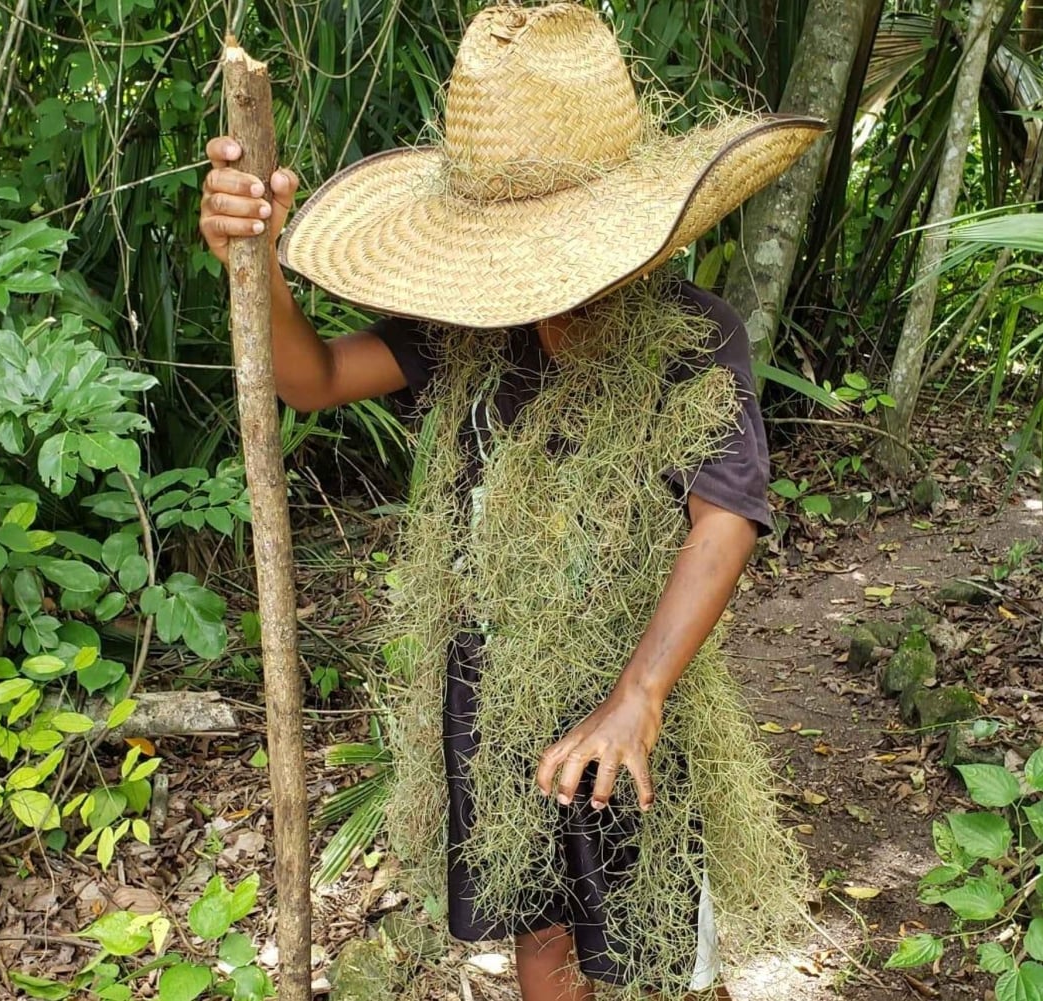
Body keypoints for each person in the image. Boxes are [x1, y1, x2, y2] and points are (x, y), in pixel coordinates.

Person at [198, 5, 825, 998]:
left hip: (630, 685)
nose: (556, 302)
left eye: (580, 270)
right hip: (493, 693)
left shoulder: (694, 340)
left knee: (653, 942)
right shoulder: (464, 330)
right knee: (538, 923)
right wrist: (254, 257)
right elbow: (310, 376)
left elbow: (727, 514)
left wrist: (639, 697)